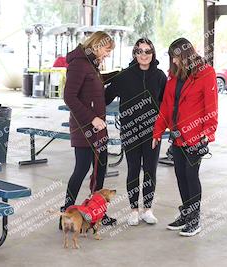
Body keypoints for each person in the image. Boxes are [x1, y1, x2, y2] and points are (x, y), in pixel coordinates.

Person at [152, 38, 218, 237]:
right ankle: (186, 213)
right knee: (180, 175)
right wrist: (157, 131)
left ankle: (194, 219)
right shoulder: (173, 75)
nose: (174, 61)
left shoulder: (206, 73)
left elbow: (211, 106)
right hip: (177, 135)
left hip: (195, 137)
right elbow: (165, 105)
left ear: (187, 55)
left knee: (191, 175)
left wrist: (207, 134)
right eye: (172, 58)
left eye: (177, 57)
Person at [105, 38, 167, 226]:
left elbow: (166, 104)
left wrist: (161, 128)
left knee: (150, 171)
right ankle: (133, 210)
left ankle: (147, 210)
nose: (144, 55)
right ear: (135, 54)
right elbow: (105, 98)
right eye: (140, 51)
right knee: (133, 170)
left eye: (147, 51)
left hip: (152, 133)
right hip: (131, 131)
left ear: (153, 53)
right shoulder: (124, 76)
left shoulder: (160, 76)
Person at [61, 31, 116, 226]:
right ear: (96, 45)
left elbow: (94, 86)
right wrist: (91, 118)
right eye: (107, 50)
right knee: (82, 169)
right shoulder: (78, 64)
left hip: (98, 128)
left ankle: (98, 212)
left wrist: (119, 74)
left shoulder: (91, 65)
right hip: (84, 128)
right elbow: (69, 97)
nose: (107, 54)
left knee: (100, 169)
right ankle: (66, 214)